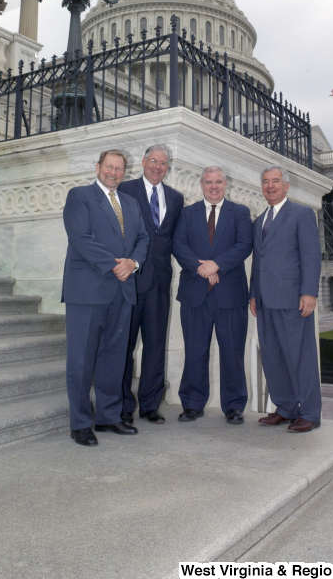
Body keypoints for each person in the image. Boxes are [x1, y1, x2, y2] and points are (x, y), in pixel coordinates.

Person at [62, 149, 149, 447]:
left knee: (113, 359)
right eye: (108, 167)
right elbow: (80, 237)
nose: (113, 172)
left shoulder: (131, 203)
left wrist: (133, 263)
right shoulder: (80, 196)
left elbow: (142, 238)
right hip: (88, 291)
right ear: (97, 167)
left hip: (122, 291)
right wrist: (116, 265)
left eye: (119, 168)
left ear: (125, 171)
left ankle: (108, 417)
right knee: (81, 361)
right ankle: (81, 423)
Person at [172, 166, 253, 424]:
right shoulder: (186, 213)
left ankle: (234, 406)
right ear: (201, 184)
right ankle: (192, 404)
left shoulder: (240, 213)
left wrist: (216, 265)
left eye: (218, 182)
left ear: (225, 183)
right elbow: (178, 245)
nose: (214, 186)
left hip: (230, 294)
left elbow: (244, 245)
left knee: (232, 352)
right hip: (195, 294)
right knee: (195, 352)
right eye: (209, 182)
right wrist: (201, 268)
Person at [250, 165, 322, 433]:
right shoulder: (259, 221)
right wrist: (253, 295)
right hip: (265, 300)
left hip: (293, 299)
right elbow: (258, 261)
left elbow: (311, 256)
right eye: (266, 181)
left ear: (286, 185)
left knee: (300, 356)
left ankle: (310, 412)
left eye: (276, 181)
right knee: (272, 356)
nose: (270, 186)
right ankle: (285, 407)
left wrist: (309, 292)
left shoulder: (302, 214)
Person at [119, 144, 184, 424]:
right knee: (125, 346)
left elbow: (175, 240)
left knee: (156, 346)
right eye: (153, 161)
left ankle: (149, 406)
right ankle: (122, 406)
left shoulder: (176, 198)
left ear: (168, 167)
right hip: (130, 281)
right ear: (144, 162)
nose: (158, 167)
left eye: (163, 163)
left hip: (159, 281)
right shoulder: (125, 190)